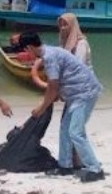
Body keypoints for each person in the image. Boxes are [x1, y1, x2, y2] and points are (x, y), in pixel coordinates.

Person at [17, 31, 105, 183]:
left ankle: (95, 169)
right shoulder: (50, 52)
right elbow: (55, 88)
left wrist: (41, 108)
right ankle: (65, 166)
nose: (26, 53)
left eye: (25, 50)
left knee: (76, 132)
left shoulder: (50, 57)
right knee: (65, 129)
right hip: (75, 95)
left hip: (85, 93)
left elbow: (53, 88)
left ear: (30, 47)